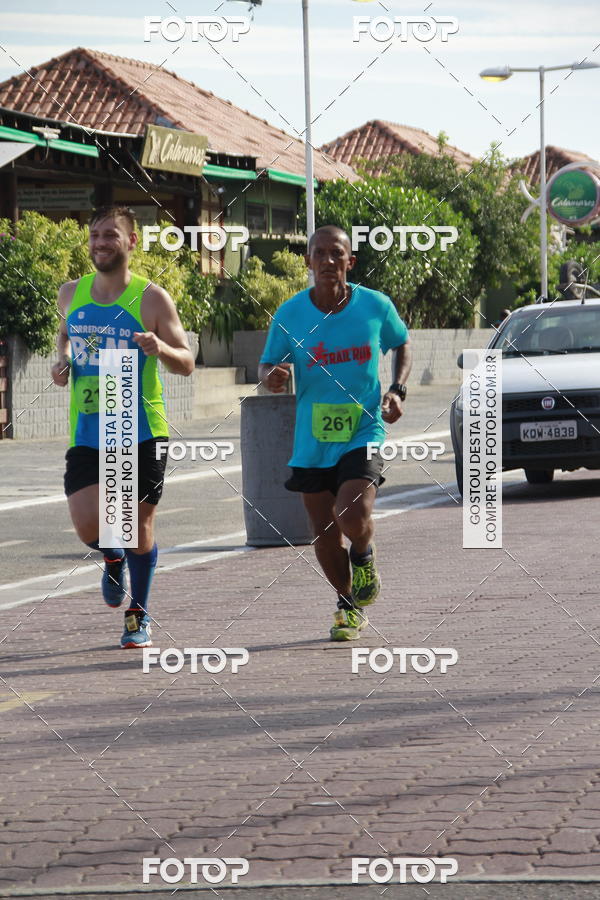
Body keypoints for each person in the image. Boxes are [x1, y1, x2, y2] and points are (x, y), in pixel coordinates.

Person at [258, 225, 411, 641]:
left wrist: (397, 389)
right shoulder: (290, 314)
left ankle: (363, 552)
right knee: (323, 534)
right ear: (308, 262)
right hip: (312, 440)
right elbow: (268, 363)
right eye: (319, 254)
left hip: (364, 427)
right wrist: (271, 376)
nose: (327, 261)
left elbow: (402, 343)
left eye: (336, 253)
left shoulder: (375, 306)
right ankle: (347, 605)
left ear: (350, 261)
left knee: (351, 514)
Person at [51, 205, 194, 648]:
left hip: (138, 425)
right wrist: (61, 362)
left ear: (131, 242)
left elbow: (187, 362)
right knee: (88, 526)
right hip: (90, 427)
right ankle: (111, 557)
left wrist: (159, 348)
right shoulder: (71, 293)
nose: (100, 243)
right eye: (95, 235)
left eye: (111, 235)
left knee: (134, 526)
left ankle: (138, 614)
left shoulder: (151, 299)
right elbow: (65, 336)